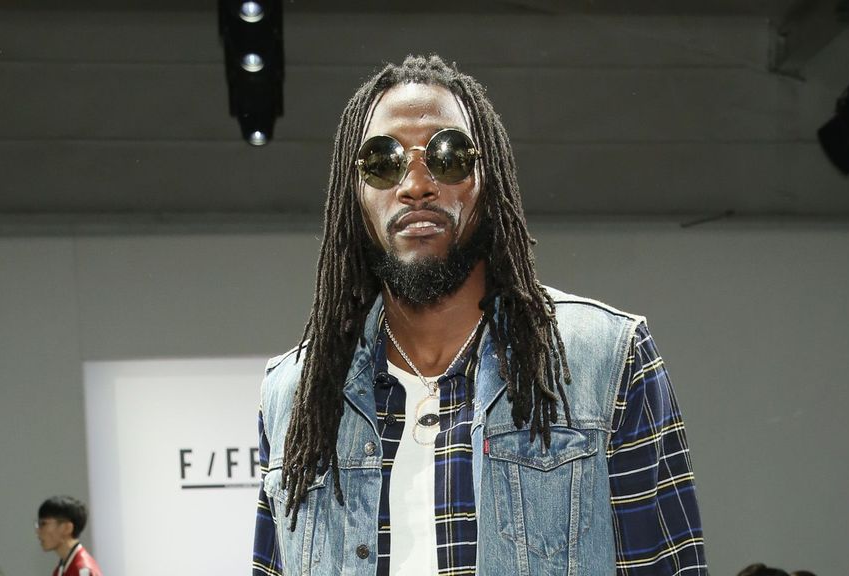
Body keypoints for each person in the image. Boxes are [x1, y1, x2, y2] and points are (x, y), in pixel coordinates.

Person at [251, 54, 707, 576]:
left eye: (447, 156)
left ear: (490, 181)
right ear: (354, 193)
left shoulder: (605, 358)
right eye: (383, 160)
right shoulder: (294, 392)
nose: (416, 185)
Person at [35, 496, 102, 576]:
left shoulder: (83, 571)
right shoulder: (61, 569)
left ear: (67, 528)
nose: (38, 531)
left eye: (43, 524)